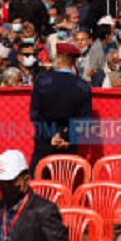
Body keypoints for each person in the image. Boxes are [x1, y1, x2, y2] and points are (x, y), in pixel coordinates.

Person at [0, 148, 75, 241]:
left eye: (9, 183)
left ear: (26, 180)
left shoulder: (44, 212)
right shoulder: (2, 205)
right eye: (1, 183)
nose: (4, 187)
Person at [29, 41, 94, 169]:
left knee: (40, 184)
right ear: (74, 62)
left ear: (58, 59)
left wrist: (51, 136)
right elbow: (84, 121)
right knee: (65, 183)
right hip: (67, 144)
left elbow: (35, 115)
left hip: (45, 143)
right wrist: (65, 137)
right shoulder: (82, 86)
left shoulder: (42, 82)